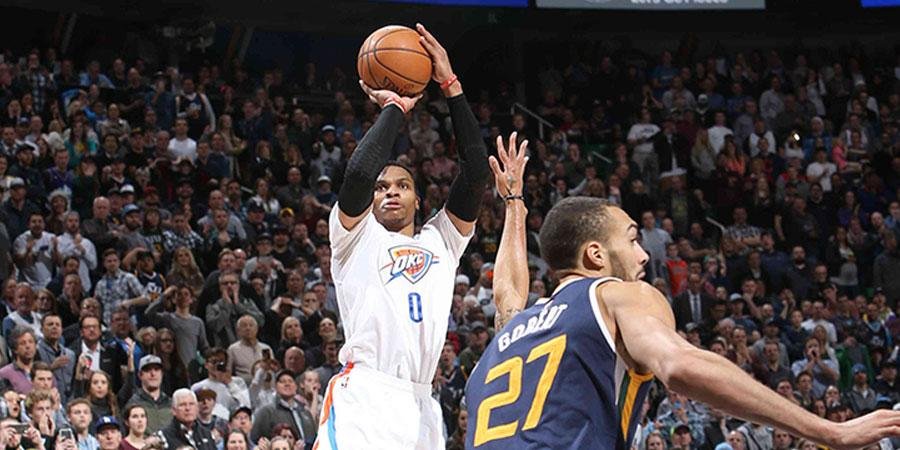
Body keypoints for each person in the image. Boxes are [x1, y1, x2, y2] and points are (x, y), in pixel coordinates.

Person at [465, 182, 900, 446]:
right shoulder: (617, 295)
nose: (642, 255)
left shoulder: (510, 332)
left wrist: (514, 204)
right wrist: (828, 432)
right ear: (596, 255)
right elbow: (678, 365)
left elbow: (507, 294)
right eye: (632, 240)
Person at [312, 24, 490, 450]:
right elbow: (358, 173)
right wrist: (394, 107)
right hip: (365, 395)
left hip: (421, 402)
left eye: (402, 185)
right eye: (382, 187)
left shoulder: (442, 240)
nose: (390, 191)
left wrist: (450, 85)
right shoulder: (354, 236)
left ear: (418, 199)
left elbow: (476, 173)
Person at [249, 370, 315, 446]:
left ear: (296, 386)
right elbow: (255, 439)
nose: (287, 384)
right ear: (276, 387)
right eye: (282, 381)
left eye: (290, 381)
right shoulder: (267, 412)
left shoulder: (305, 412)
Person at [123, 355, 173, 434]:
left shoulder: (171, 403)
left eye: (156, 369)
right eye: (148, 370)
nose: (153, 374)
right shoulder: (133, 403)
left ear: (162, 374)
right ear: (140, 375)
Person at [0, 326, 38, 392]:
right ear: (15, 349)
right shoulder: (4, 373)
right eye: (22, 343)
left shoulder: (43, 370)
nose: (28, 346)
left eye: (31, 342)